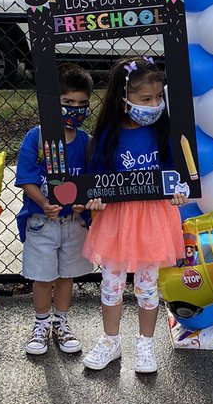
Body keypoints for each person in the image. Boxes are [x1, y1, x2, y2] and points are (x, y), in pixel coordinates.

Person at [81, 55, 188, 375]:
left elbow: (176, 171)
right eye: (145, 99)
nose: (154, 104)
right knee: (111, 283)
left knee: (147, 285)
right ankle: (111, 341)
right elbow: (94, 180)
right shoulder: (107, 135)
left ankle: (146, 344)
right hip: (117, 219)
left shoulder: (164, 131)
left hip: (153, 219)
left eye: (158, 97)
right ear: (123, 99)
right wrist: (93, 199)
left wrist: (180, 187)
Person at [15, 64, 95, 357]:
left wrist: (83, 202)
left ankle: (61, 322)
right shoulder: (36, 138)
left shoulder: (87, 143)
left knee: (66, 276)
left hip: (74, 222)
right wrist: (43, 202)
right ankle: (40, 324)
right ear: (53, 103)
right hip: (42, 221)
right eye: (68, 103)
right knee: (43, 277)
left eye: (81, 103)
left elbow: (91, 182)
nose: (75, 109)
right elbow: (25, 177)